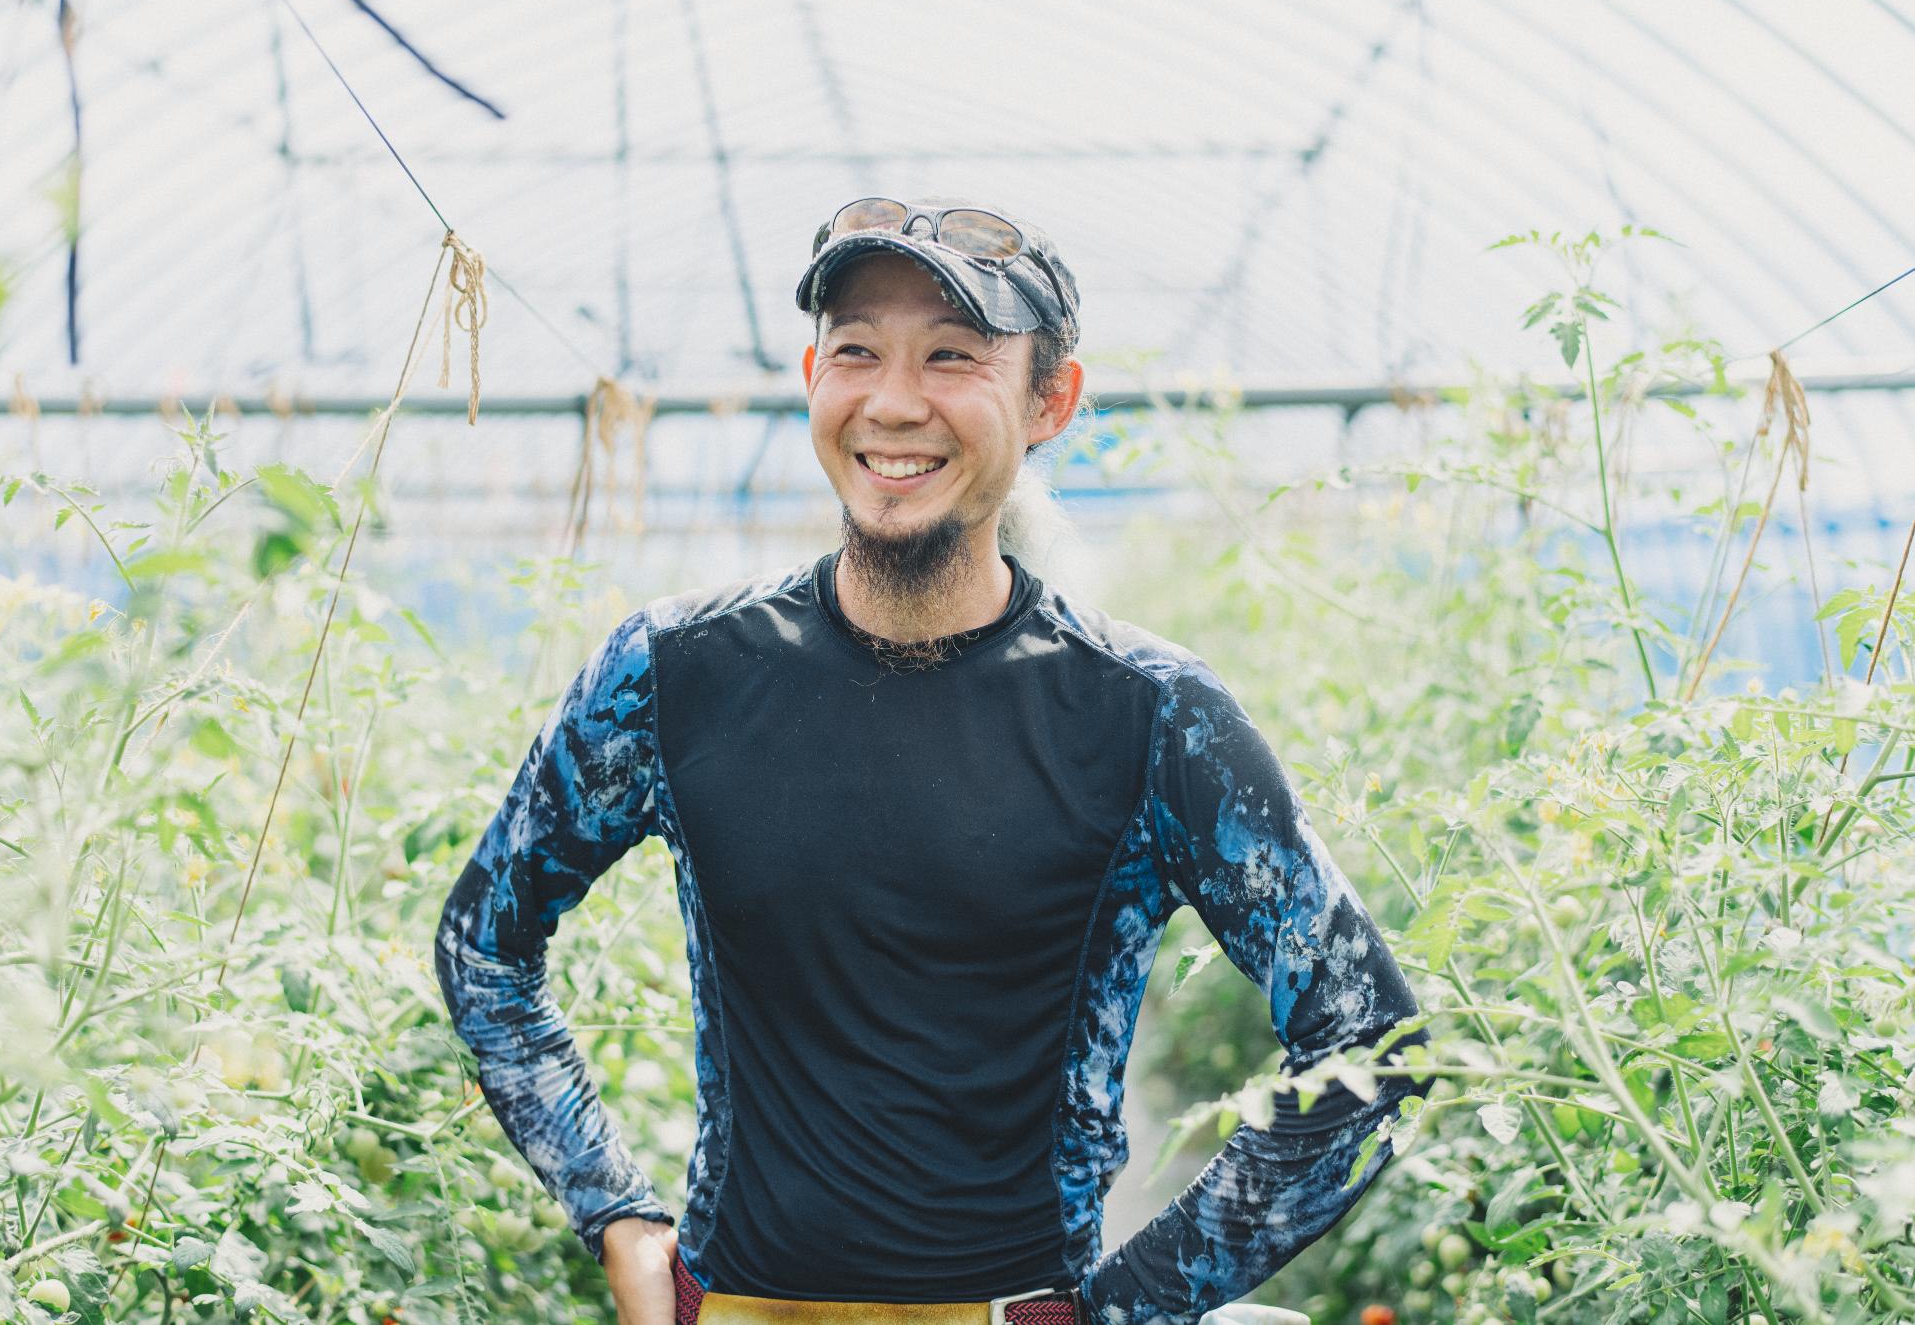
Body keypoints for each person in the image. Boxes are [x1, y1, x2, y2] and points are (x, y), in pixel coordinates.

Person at [433, 195, 1433, 1325]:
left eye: (952, 357)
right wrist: (613, 1209)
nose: (893, 403)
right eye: (856, 352)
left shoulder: (1149, 716)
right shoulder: (674, 672)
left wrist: (1126, 1307)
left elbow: (1374, 1047)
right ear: (813, 373)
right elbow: (484, 942)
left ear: (1051, 399)